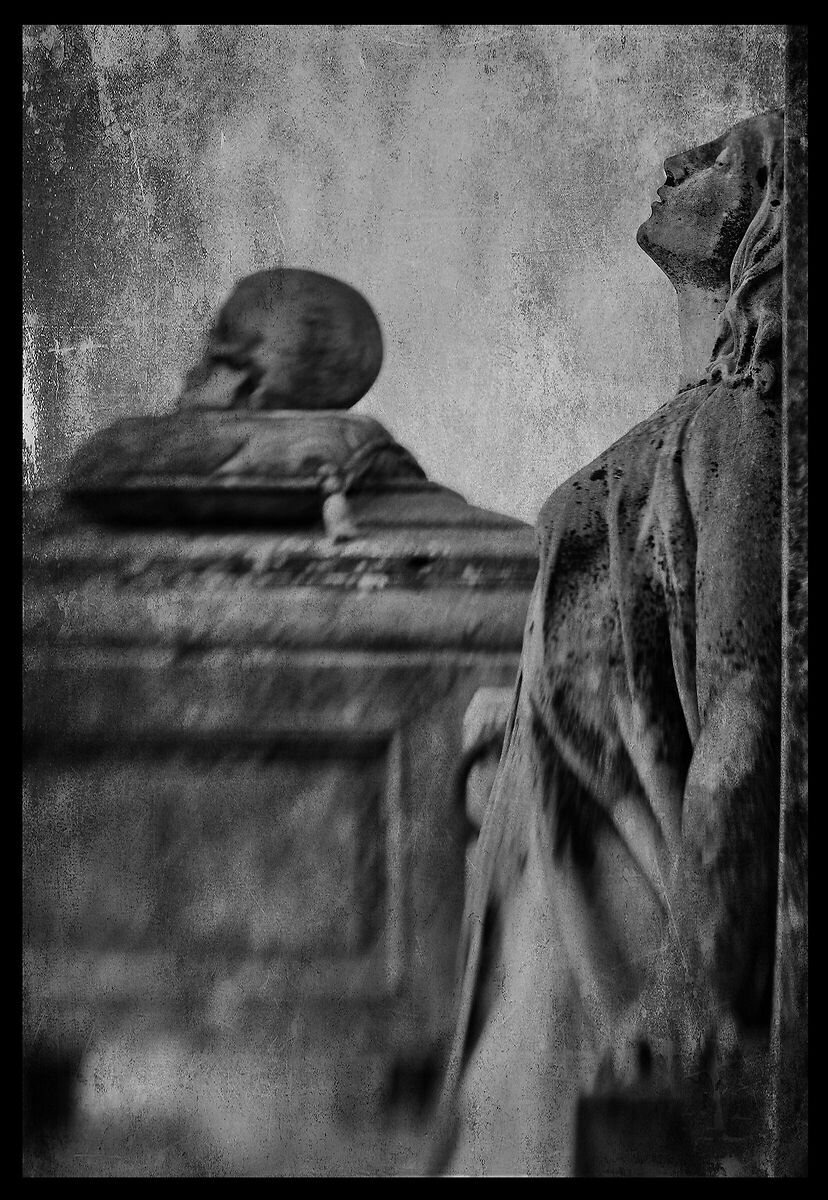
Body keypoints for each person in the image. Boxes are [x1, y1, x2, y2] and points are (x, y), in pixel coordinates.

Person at [430, 110, 784, 1176]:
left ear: (774, 222)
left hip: (630, 926)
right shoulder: (692, 425)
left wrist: (691, 984)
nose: (676, 162)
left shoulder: (742, 428)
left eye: (721, 159)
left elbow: (746, 705)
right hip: (557, 891)